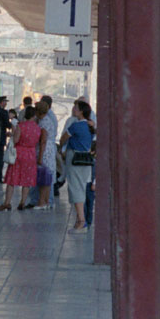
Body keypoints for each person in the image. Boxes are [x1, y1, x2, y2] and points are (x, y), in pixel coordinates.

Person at [0, 106, 41, 211]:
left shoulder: (21, 126)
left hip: (19, 154)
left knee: (12, 178)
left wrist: (12, 136)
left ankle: (7, 202)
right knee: (27, 180)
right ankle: (22, 202)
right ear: (34, 116)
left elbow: (16, 140)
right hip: (31, 154)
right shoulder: (37, 128)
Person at [59, 99, 95, 233]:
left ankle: (81, 221)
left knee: (75, 189)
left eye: (75, 108)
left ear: (80, 112)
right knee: (81, 187)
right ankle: (82, 219)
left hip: (74, 159)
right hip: (86, 160)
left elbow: (63, 138)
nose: (73, 109)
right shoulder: (91, 126)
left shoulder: (75, 126)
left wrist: (61, 149)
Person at [26, 99, 57, 210]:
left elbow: (43, 140)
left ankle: (41, 202)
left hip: (44, 153)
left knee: (43, 177)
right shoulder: (48, 120)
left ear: (39, 112)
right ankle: (48, 201)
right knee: (48, 177)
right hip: (49, 151)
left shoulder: (43, 123)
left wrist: (39, 157)